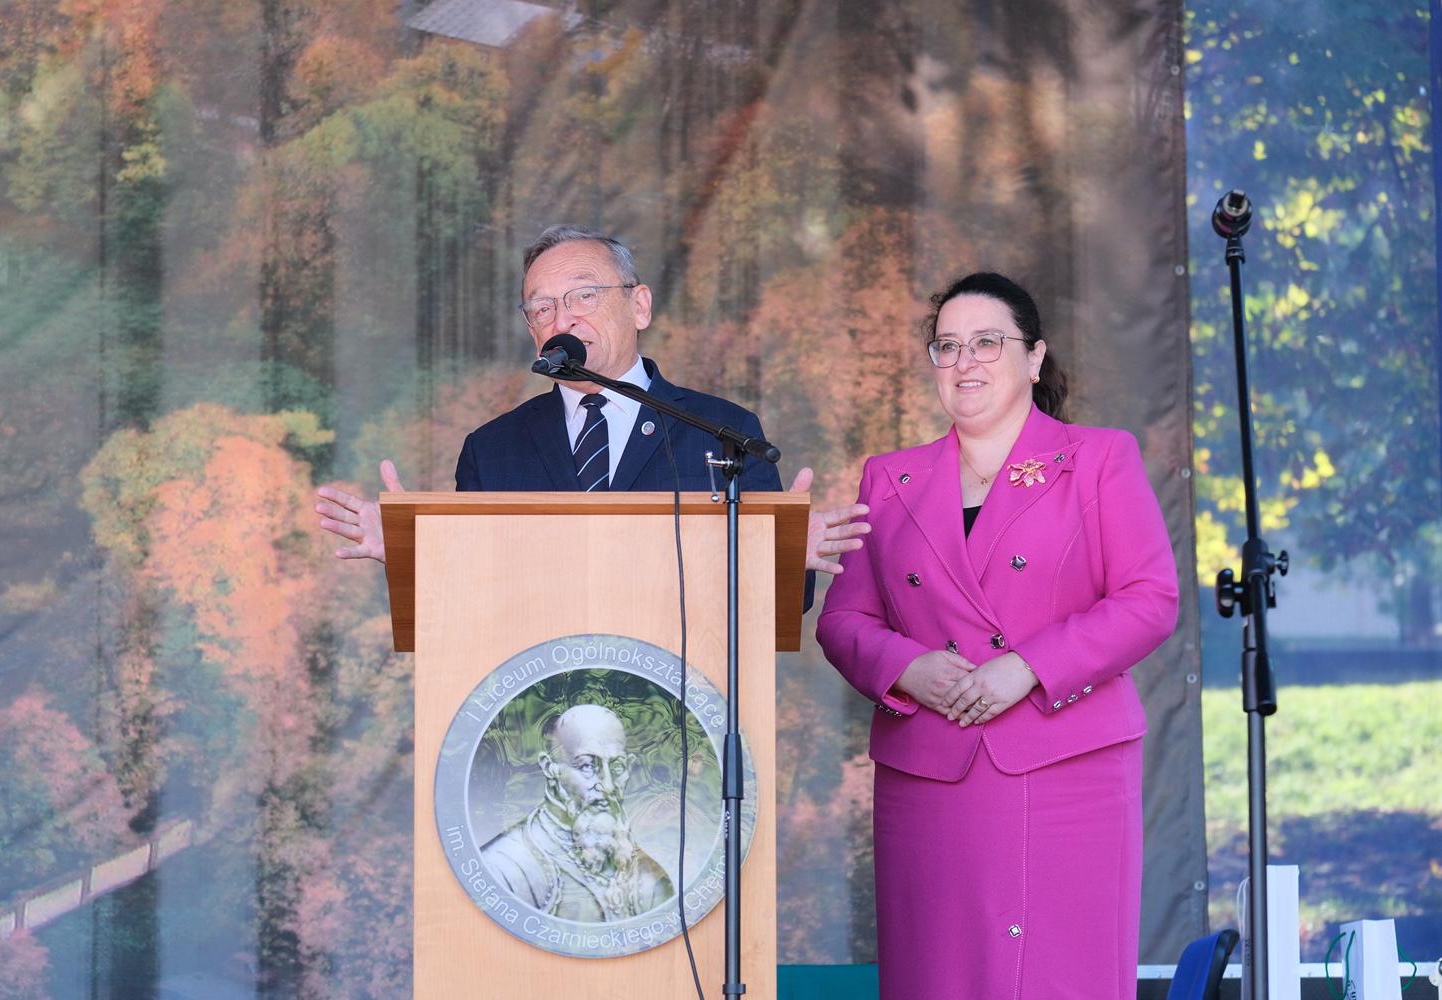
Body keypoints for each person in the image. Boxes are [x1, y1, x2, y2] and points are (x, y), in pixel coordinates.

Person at [815, 272, 1179, 999]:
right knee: (937, 975)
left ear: (1034, 357)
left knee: (1056, 972)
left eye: (987, 342)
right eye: (947, 346)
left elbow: (1150, 599)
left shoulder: (1098, 458)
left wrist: (1027, 667)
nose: (965, 362)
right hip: (930, 770)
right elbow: (843, 620)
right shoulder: (889, 477)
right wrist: (908, 668)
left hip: (1067, 764)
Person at [313, 224, 868, 577]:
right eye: (542, 308)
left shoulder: (722, 430)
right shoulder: (492, 448)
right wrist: (412, 553)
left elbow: (779, 602)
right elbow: (471, 585)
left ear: (639, 306)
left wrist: (785, 558)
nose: (562, 319)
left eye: (583, 295)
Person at [480, 703, 673, 922]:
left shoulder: (647, 876)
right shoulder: (502, 868)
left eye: (617, 767)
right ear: (549, 767)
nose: (607, 786)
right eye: (587, 766)